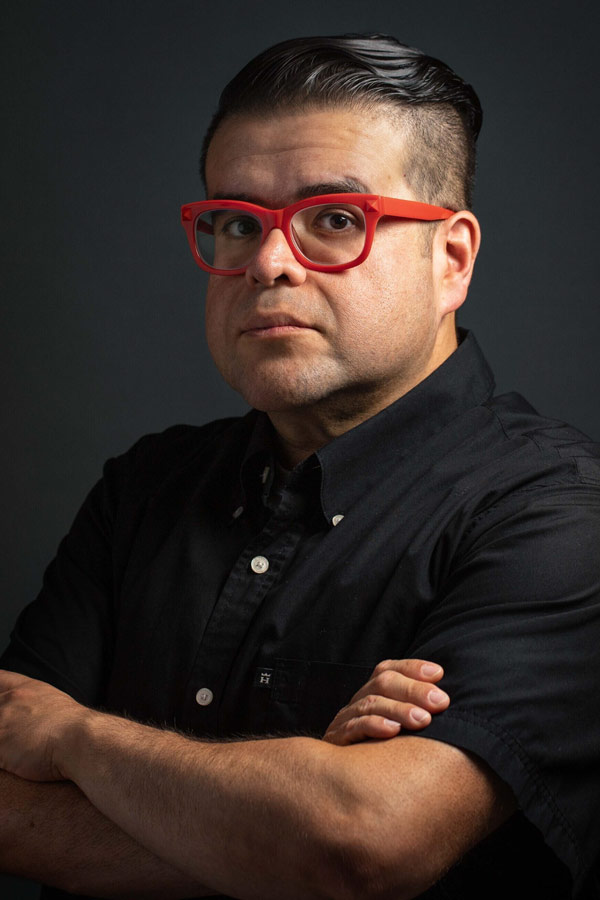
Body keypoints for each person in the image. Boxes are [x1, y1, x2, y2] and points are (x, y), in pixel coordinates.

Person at [1, 33, 599, 900]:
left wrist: (72, 740)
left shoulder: (561, 517)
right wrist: (289, 804)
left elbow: (358, 846)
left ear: (452, 260)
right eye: (237, 223)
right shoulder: (144, 488)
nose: (268, 262)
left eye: (335, 220)